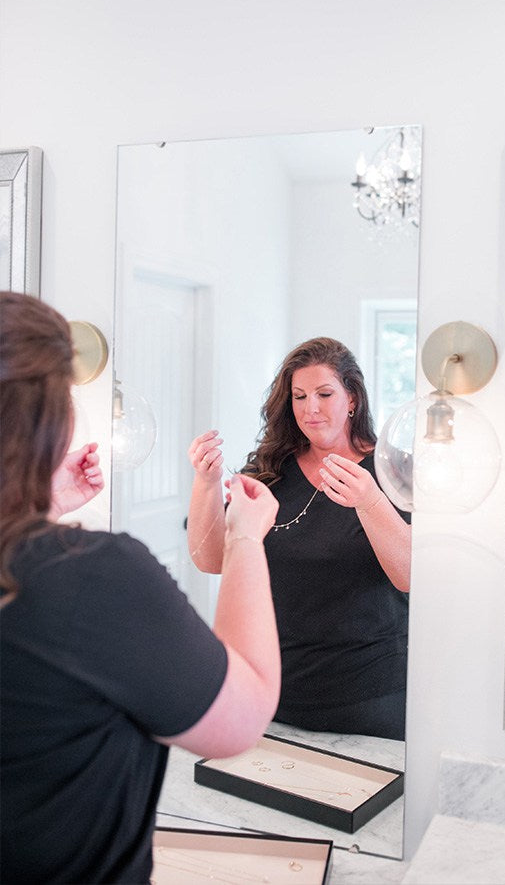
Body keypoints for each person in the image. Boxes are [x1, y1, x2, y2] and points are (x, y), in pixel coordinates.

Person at [0, 291, 280, 884]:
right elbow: (243, 715)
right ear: (48, 421)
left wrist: (40, 502)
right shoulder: (89, 579)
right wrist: (246, 541)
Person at [187, 337, 411, 741]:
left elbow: (411, 576)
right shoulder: (271, 469)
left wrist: (371, 501)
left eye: (325, 394)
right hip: (273, 693)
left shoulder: (392, 471)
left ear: (353, 399)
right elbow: (212, 560)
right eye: (299, 396)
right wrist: (205, 483)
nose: (310, 409)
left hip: (368, 698)